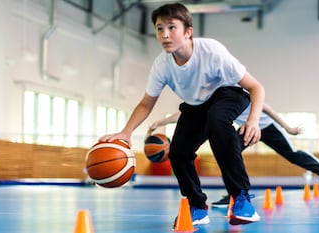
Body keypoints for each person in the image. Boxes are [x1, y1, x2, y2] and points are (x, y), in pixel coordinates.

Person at [100, 3, 265, 226]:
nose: (165, 34)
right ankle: (197, 206)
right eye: (159, 29)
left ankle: (242, 197)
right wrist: (125, 133)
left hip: (229, 93)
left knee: (218, 121)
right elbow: (146, 103)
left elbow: (256, 87)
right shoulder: (162, 65)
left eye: (171, 27)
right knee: (178, 152)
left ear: (188, 31)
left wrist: (253, 121)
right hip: (196, 104)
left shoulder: (211, 51)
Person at [146, 103, 319, 208]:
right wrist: (161, 122)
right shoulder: (212, 98)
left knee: (292, 155)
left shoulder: (237, 90)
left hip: (265, 126)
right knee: (228, 153)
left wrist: (288, 127)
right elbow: (187, 114)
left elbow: (265, 107)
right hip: (246, 129)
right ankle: (237, 193)